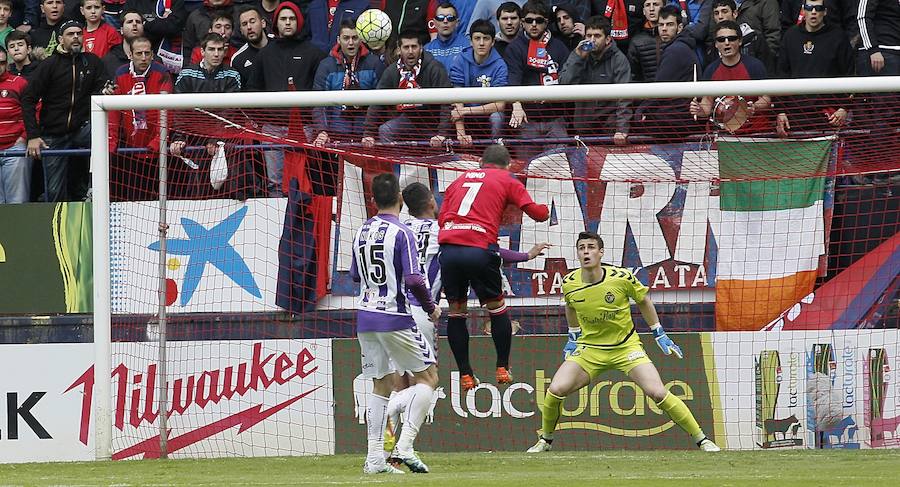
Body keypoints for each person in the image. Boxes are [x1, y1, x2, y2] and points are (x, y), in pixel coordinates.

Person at [526, 231, 722, 453]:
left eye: (591, 247)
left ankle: (702, 439)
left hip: (626, 348)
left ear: (601, 252)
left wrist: (659, 332)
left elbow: (643, 300)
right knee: (555, 390)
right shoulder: (570, 282)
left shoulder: (621, 277)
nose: (586, 252)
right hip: (589, 350)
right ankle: (545, 440)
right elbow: (570, 306)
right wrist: (573, 335)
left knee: (657, 392)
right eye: (581, 248)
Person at [438, 143, 549, 390]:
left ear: (480, 163)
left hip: (449, 250)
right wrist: (546, 210)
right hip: (479, 250)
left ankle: (466, 374)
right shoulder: (507, 179)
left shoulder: (458, 181)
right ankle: (501, 367)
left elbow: (442, 217)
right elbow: (538, 214)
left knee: (456, 312)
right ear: (508, 165)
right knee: (497, 308)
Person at [351, 172, 440, 475]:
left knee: (382, 384)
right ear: (401, 200)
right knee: (428, 378)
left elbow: (354, 275)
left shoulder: (361, 231)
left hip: (364, 316)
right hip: (394, 316)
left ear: (372, 200)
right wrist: (431, 307)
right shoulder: (403, 233)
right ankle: (404, 445)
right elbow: (415, 278)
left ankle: (375, 459)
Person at [22, 19, 113, 202]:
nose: (76, 37)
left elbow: (103, 87)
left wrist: (106, 91)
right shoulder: (49, 65)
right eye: (71, 34)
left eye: (79, 33)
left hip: (82, 129)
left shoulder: (93, 62)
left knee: (105, 138)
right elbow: (28, 99)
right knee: (55, 192)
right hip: (53, 134)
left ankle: (94, 192)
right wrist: (32, 136)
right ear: (61, 39)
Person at [247, 1, 326, 196]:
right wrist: (261, 120)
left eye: (291, 18)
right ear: (276, 23)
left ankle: (300, 223)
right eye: (283, 19)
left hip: (304, 128)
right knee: (274, 183)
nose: (288, 23)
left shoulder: (314, 54)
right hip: (272, 129)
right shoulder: (265, 55)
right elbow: (252, 90)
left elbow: (321, 92)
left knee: (303, 180)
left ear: (298, 22)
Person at [361, 29, 452, 148]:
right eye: (406, 47)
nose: (410, 51)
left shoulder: (435, 68)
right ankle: (396, 166)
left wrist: (442, 133)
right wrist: (368, 133)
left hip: (432, 124)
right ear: (399, 50)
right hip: (406, 120)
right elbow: (377, 102)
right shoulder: (392, 71)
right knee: (386, 130)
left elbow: (446, 103)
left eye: (414, 47)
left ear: (421, 48)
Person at [503, 0, 570, 160]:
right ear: (522, 22)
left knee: (559, 173)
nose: (534, 25)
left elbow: (568, 79)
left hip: (556, 120)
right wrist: (517, 105)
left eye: (539, 20)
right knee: (526, 171)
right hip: (528, 120)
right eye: (529, 20)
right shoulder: (515, 48)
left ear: (546, 22)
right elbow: (513, 80)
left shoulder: (559, 47)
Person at [108, 35, 173, 201]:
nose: (143, 58)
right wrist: (112, 142)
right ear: (130, 55)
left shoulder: (162, 73)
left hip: (156, 151)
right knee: (133, 199)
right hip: (129, 149)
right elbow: (114, 112)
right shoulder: (121, 74)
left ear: (152, 54)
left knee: (159, 197)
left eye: (147, 53)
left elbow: (167, 111)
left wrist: (158, 141)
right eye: (139, 53)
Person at [775, 0, 852, 136]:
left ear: (825, 11)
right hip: (794, 114)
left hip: (828, 116)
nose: (814, 12)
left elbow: (849, 74)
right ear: (803, 11)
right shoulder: (790, 36)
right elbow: (782, 74)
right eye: (810, 8)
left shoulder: (838, 36)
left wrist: (844, 108)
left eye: (818, 8)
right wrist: (780, 111)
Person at [559, 15, 631, 144]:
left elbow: (625, 97)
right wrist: (578, 58)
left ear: (608, 39)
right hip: (583, 128)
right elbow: (564, 83)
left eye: (597, 36)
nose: (592, 40)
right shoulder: (578, 54)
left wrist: (621, 129)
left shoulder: (619, 59)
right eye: (588, 35)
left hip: (609, 130)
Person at [312, 18, 384, 145]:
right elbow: (318, 103)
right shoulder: (326, 66)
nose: (351, 43)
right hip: (334, 135)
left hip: (366, 138)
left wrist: (370, 132)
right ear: (338, 40)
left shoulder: (374, 63)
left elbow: (380, 103)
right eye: (346, 38)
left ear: (361, 39)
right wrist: (322, 131)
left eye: (355, 38)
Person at [689, 21, 769, 134]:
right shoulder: (711, 70)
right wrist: (699, 110)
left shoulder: (755, 66)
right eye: (721, 39)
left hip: (755, 132)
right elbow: (707, 104)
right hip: (723, 134)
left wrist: (753, 107)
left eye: (731, 38)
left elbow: (766, 98)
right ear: (716, 44)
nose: (726, 43)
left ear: (740, 41)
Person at [448, 19, 508, 145]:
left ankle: (493, 152)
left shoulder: (500, 65)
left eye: (486, 38)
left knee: (497, 117)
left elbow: (500, 105)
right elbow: (457, 100)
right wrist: (461, 134)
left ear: (492, 42)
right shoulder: (460, 60)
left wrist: (466, 111)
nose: (481, 43)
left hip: (486, 116)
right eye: (477, 38)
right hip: (465, 116)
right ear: (471, 41)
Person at [706, 0, 772, 71]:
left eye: (724, 11)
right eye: (716, 13)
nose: (720, 16)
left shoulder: (755, 39)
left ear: (735, 13)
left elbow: (767, 71)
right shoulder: (713, 46)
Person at [0, 48, 30, 203]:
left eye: (2, 62)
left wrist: (24, 137)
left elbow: (34, 111)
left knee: (17, 202)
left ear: (7, 64)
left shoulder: (19, 83)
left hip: (14, 148)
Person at [231, 6, 270, 88]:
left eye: (252, 22)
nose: (249, 27)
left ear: (263, 23)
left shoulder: (279, 45)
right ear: (241, 30)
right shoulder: (238, 59)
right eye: (244, 24)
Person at [425, 2, 470, 72]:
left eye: (450, 18)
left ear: (457, 23)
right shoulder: (427, 50)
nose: (445, 21)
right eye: (440, 18)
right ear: (434, 23)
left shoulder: (468, 46)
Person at [102, 9, 145, 78]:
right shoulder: (109, 60)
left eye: (138, 22)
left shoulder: (154, 60)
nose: (134, 24)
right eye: (130, 22)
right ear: (121, 30)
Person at [627, 0, 662, 82]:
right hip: (647, 92)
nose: (651, 9)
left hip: (673, 90)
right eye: (648, 5)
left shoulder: (672, 36)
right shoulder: (636, 41)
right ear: (643, 11)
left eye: (656, 5)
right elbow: (633, 76)